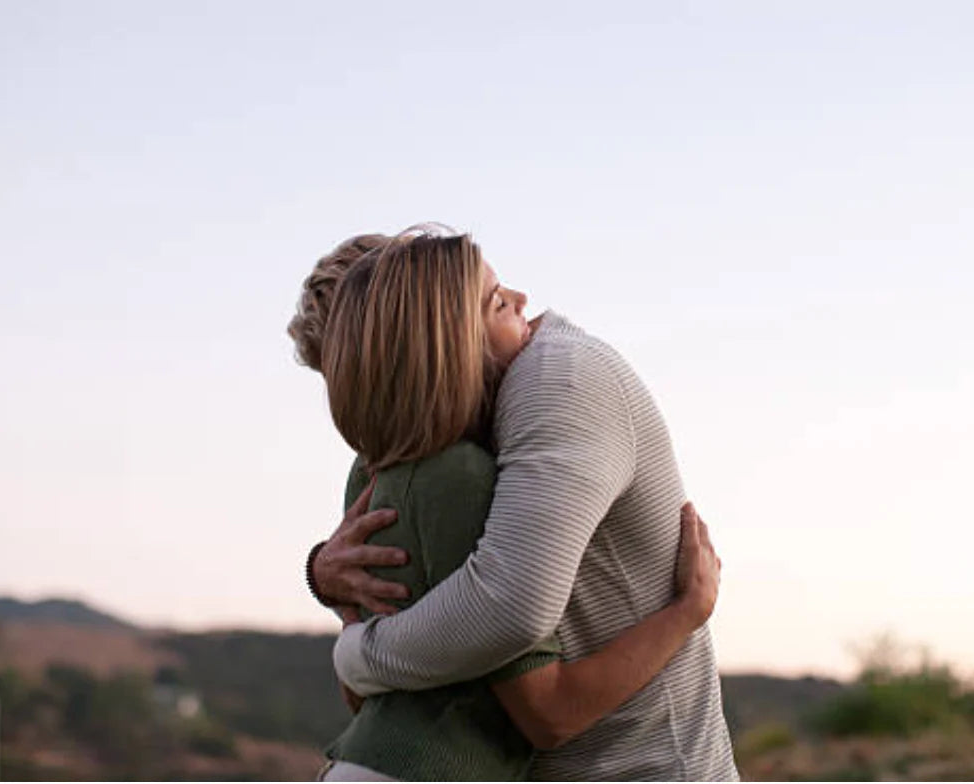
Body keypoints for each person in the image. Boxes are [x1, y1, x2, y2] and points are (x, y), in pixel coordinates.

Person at [289, 230, 724, 781]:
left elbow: (503, 627)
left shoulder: (552, 385)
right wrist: (688, 612)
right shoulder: (428, 471)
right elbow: (541, 706)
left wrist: (355, 649)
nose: (524, 300)